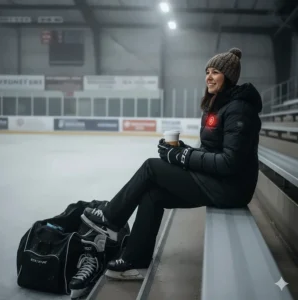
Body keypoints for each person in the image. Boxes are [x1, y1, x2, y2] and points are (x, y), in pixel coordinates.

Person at [81, 47, 262, 280]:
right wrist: (182, 151)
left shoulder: (239, 109)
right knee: (152, 195)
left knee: (151, 166)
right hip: (218, 181)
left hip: (230, 188)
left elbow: (230, 162)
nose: (209, 76)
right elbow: (210, 152)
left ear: (228, 77)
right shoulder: (218, 105)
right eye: (207, 71)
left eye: (215, 72)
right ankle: (135, 259)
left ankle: (110, 218)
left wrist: (184, 158)